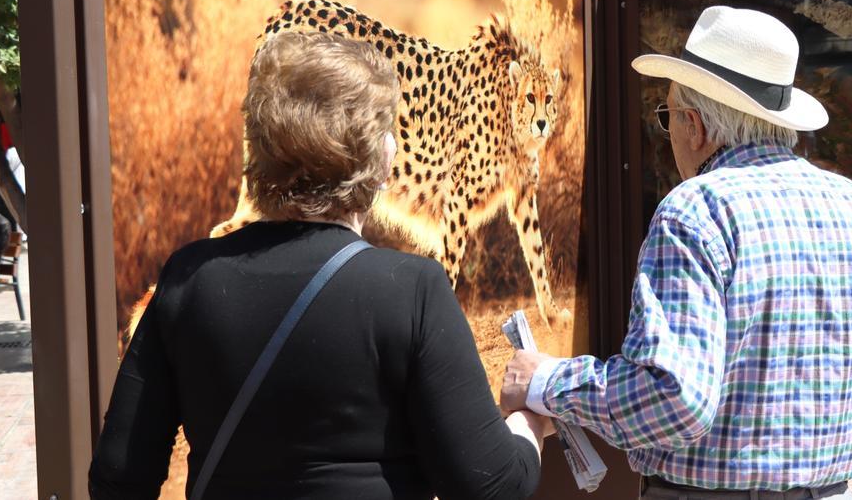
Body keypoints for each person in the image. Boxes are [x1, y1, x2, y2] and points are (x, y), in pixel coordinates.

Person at [89, 33, 548, 499]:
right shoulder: (413, 292)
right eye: (389, 131)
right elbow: (493, 487)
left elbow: (117, 480)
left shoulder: (188, 280)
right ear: (381, 159)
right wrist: (527, 421)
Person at [501, 6, 852, 499]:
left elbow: (674, 398)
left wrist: (547, 381)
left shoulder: (696, 209)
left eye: (666, 118)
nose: (670, 135)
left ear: (694, 125)